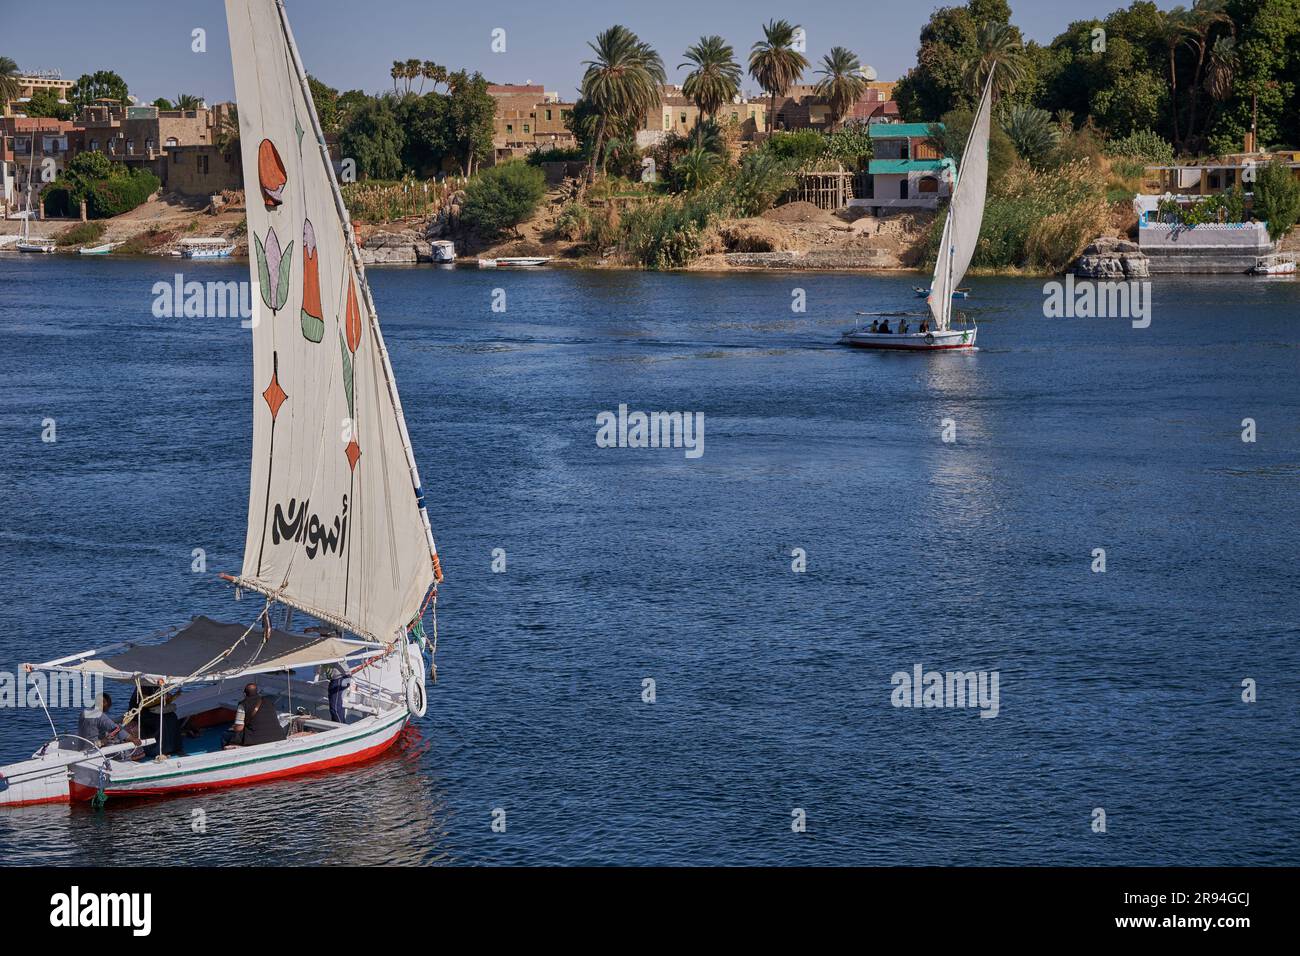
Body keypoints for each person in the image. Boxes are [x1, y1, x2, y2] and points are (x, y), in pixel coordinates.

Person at [224, 683, 286, 748]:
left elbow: (239, 728)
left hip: (256, 739)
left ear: (244, 694)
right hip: (278, 736)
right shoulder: (269, 702)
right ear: (257, 692)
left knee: (226, 735)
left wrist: (234, 727)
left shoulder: (243, 704)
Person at [320, 660, 352, 724]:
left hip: (340, 678)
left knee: (335, 707)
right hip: (339, 678)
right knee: (336, 705)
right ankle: (340, 724)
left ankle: (340, 727)